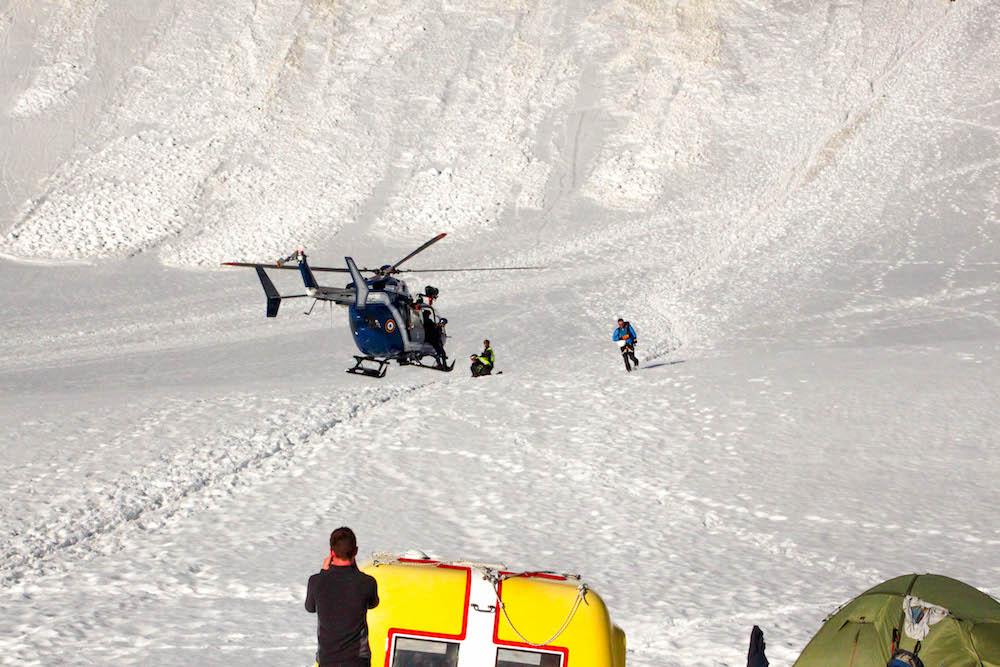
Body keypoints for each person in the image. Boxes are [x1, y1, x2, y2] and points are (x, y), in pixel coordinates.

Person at [305, 527, 379, 667]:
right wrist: (355, 570)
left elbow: (310, 607)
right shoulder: (367, 583)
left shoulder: (316, 581)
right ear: (355, 551)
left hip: (328, 660)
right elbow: (373, 603)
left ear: (332, 553)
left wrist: (323, 573)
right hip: (358, 660)